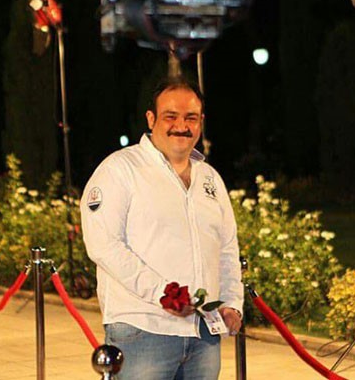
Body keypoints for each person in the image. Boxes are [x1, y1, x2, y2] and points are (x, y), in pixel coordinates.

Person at [80, 79, 243, 379]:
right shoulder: (120, 169)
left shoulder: (210, 179)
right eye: (171, 116)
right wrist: (163, 294)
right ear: (151, 119)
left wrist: (232, 303)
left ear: (201, 122)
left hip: (203, 334)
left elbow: (227, 248)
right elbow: (103, 245)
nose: (181, 126)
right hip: (143, 331)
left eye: (190, 118)